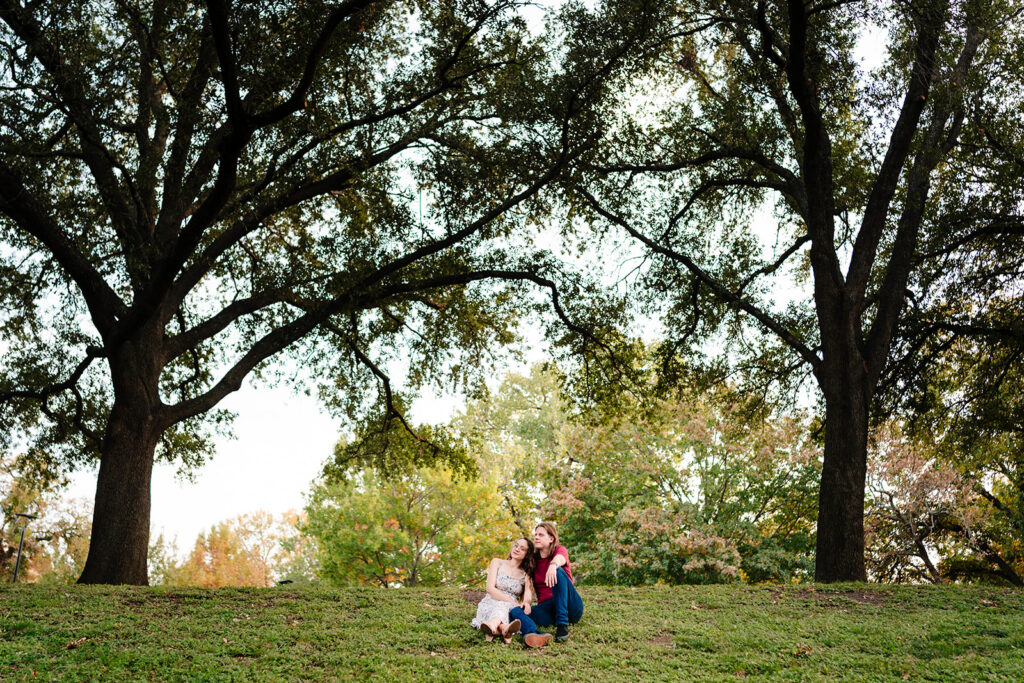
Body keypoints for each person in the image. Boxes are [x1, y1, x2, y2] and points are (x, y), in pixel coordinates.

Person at [509, 522, 584, 648]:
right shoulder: (533, 560)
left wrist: (553, 566)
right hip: (548, 610)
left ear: (551, 539)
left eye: (541, 535)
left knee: (558, 571)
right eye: (535, 535)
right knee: (515, 611)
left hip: (570, 606)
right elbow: (529, 587)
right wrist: (526, 602)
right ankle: (535, 634)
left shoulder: (559, 550)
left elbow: (560, 559)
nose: (536, 537)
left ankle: (562, 626)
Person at [471, 537, 535, 643]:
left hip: (510, 609)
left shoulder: (526, 573)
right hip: (491, 602)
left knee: (504, 607)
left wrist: (527, 603)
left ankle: (493, 627)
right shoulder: (497, 562)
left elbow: (528, 595)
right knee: (501, 604)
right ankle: (504, 628)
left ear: (527, 554)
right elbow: (490, 588)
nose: (517, 549)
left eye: (522, 548)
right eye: (516, 545)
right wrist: (513, 603)